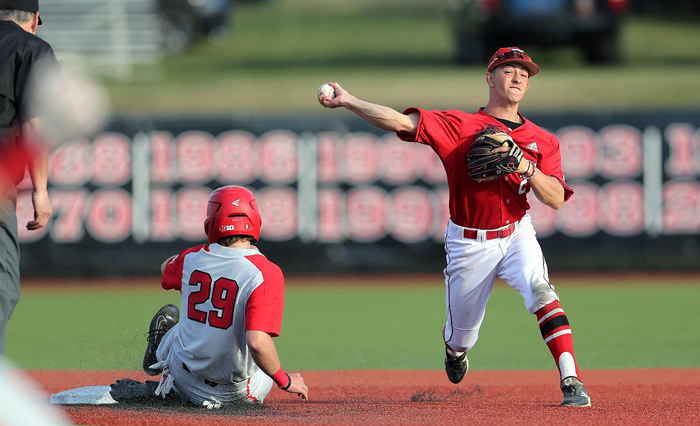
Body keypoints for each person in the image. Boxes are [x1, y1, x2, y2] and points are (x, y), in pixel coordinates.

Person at [318, 47, 591, 407]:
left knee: (542, 292)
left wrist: (526, 167)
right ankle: (455, 351)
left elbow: (556, 198)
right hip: (469, 242)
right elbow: (400, 122)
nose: (519, 78)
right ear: (490, 78)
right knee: (462, 337)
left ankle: (571, 380)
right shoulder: (460, 126)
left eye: (525, 74)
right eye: (509, 71)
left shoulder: (544, 140)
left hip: (516, 232)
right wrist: (349, 101)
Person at [142, 185, 308, 409]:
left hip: (184, 380)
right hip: (235, 395)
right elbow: (258, 343)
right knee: (259, 355)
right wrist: (285, 380)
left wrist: (197, 258)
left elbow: (165, 269)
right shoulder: (266, 272)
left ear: (211, 221)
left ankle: (163, 365)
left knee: (182, 327)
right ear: (255, 220)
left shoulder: (191, 258)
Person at [0, 0, 54, 359]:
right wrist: (41, 189)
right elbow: (35, 123)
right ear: (35, 19)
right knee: (2, 288)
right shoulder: (32, 48)